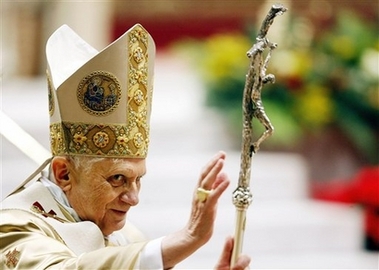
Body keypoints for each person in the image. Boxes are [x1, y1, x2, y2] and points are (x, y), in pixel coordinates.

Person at [0, 24, 251, 269]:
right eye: (118, 178)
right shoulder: (15, 226)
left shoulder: (127, 236)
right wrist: (187, 238)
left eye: (138, 179)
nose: (134, 199)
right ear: (64, 173)